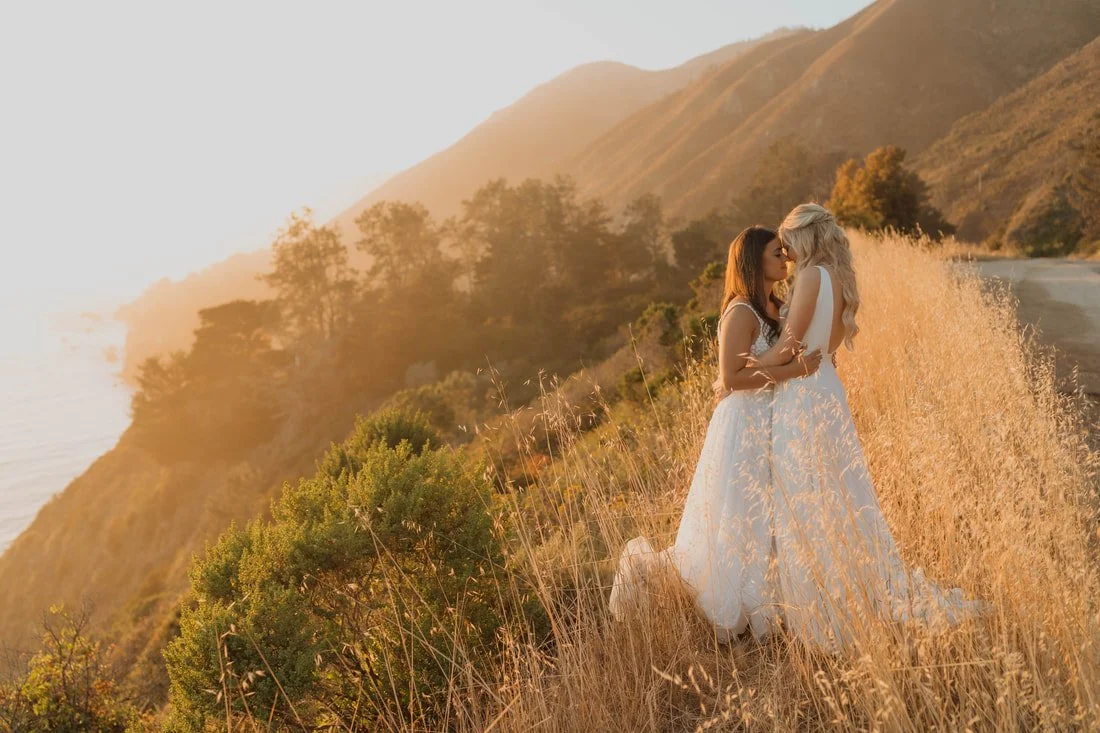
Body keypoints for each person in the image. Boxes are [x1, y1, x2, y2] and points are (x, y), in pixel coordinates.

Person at [756, 203, 991, 651]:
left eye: (787, 242)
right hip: (825, 386)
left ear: (804, 239)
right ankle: (848, 586)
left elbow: (788, 348)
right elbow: (823, 348)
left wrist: (741, 373)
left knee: (807, 494)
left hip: (802, 396)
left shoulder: (810, 277)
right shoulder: (838, 278)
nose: (784, 252)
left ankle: (821, 604)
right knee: (837, 494)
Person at [608, 226, 821, 642]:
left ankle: (770, 598)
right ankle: (724, 600)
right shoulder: (740, 311)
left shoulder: (775, 305)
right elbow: (731, 378)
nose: (786, 259)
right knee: (737, 512)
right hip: (743, 422)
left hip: (772, 419)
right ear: (753, 260)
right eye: (777, 253)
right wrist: (795, 371)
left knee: (768, 513)